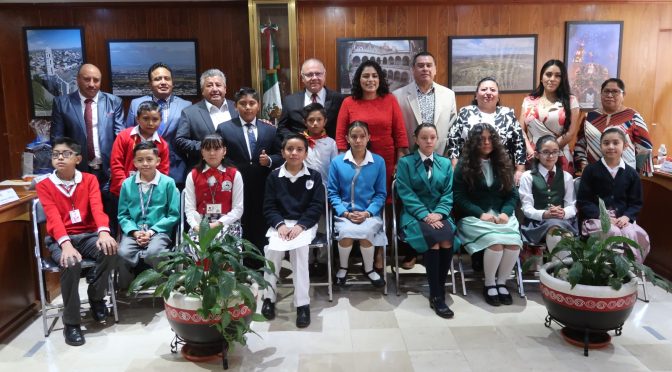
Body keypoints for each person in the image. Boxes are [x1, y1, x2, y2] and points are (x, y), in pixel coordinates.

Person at [35, 137, 118, 346]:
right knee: (71, 262)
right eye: (55, 154)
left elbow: (98, 209)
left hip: (88, 235)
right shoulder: (45, 185)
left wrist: (104, 233)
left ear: (78, 158)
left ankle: (96, 297)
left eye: (65, 154)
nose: (59, 158)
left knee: (109, 249)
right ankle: (71, 322)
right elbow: (52, 217)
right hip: (59, 239)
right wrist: (66, 245)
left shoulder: (89, 180)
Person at [453, 124, 522, 307]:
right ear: (473, 142)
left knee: (514, 245)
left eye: (490, 138)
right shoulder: (463, 165)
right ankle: (489, 283)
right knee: (495, 243)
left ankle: (502, 283)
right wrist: (480, 213)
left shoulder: (503, 163)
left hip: (501, 216)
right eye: (481, 139)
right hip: (473, 218)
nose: (486, 142)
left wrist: (506, 213)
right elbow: (459, 197)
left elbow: (512, 194)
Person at [50, 63, 125, 231]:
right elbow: (57, 140)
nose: (92, 84)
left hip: (107, 172)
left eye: (96, 80)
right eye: (87, 79)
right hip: (78, 171)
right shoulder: (62, 103)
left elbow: (121, 139)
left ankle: (110, 251)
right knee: (82, 217)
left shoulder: (114, 102)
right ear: (78, 80)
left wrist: (118, 168)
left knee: (109, 217)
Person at [261, 134, 325, 328]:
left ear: (306, 153)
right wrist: (280, 225)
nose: (294, 153)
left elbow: (315, 207)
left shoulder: (314, 176)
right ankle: (268, 298)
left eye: (299, 149)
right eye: (290, 149)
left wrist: (299, 226)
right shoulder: (274, 176)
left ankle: (302, 304)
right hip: (280, 224)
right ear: (282, 152)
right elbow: (269, 207)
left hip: (304, 225)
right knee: (272, 251)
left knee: (300, 252)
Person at [395, 123, 457, 318]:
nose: (429, 141)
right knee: (434, 241)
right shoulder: (406, 163)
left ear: (437, 139)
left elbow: (448, 193)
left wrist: (439, 213)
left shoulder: (445, 163)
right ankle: (437, 295)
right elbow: (405, 192)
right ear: (416, 140)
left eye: (432, 137)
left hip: (440, 215)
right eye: (424, 138)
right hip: (414, 215)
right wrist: (425, 215)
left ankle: (438, 288)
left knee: (446, 238)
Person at [216, 87, 282, 253]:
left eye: (252, 103)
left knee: (260, 226)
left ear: (258, 106)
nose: (247, 107)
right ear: (235, 106)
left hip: (262, 186)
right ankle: (239, 266)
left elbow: (281, 155)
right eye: (243, 103)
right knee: (239, 224)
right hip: (236, 187)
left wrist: (269, 161)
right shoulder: (224, 128)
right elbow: (219, 155)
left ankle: (259, 268)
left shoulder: (270, 129)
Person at [335, 59, 409, 195]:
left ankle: (384, 218)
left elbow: (400, 133)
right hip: (356, 158)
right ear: (358, 79)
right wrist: (343, 161)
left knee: (384, 195)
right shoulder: (348, 102)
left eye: (375, 76)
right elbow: (340, 135)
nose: (370, 80)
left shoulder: (390, 99)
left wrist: (400, 161)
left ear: (380, 79)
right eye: (366, 76)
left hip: (386, 158)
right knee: (359, 194)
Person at [327, 121, 387, 288]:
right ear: (347, 138)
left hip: (369, 214)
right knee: (346, 232)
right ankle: (343, 267)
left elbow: (381, 194)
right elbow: (332, 192)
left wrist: (367, 213)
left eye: (362, 136)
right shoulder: (337, 162)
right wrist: (345, 213)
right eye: (354, 136)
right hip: (345, 214)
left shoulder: (378, 162)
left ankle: (368, 269)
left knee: (366, 231)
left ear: (369, 137)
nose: (358, 140)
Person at [577, 127, 650, 263]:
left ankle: (629, 271)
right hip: (597, 219)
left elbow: (636, 203)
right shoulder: (591, 171)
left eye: (616, 143)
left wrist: (627, 216)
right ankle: (608, 271)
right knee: (612, 232)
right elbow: (583, 201)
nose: (611, 147)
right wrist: (602, 216)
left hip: (622, 220)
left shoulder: (631, 174)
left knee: (632, 234)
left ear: (625, 146)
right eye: (606, 143)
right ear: (600, 146)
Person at [447, 77, 526, 184]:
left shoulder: (507, 114)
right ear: (476, 95)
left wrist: (520, 170)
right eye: (484, 90)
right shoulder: (465, 112)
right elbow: (453, 139)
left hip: (501, 170)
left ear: (498, 96)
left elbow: (519, 142)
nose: (488, 93)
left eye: (493, 90)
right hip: (469, 168)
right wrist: (454, 165)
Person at [125, 62, 193, 186]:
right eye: (157, 79)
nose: (163, 82)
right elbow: (128, 137)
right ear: (150, 84)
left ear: (172, 82)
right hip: (142, 169)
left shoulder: (186, 106)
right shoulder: (136, 104)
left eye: (167, 78)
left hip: (176, 169)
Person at [117, 142, 180, 272]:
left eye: (149, 159)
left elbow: (173, 214)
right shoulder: (127, 184)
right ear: (134, 162)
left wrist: (151, 232)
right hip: (134, 233)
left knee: (155, 252)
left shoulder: (168, 183)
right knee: (122, 253)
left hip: (159, 232)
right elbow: (123, 215)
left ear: (158, 161)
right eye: (140, 160)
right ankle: (125, 288)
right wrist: (134, 232)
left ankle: (163, 285)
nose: (145, 163)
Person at [574, 78, 654, 176]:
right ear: (601, 94)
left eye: (615, 91)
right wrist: (584, 165)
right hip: (594, 174)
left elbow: (646, 147)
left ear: (623, 95)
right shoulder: (589, 117)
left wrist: (635, 172)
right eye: (606, 91)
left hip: (624, 175)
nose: (610, 95)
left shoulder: (632, 116)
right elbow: (580, 144)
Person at [519, 135, 578, 252]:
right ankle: (560, 268)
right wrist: (544, 214)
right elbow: (527, 208)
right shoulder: (528, 176)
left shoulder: (566, 177)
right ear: (537, 154)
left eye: (555, 152)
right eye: (546, 152)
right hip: (537, 223)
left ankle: (562, 267)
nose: (551, 156)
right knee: (556, 230)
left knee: (561, 232)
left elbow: (571, 206)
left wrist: (563, 212)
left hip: (563, 221)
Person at [519, 59, 580, 173]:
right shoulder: (528, 100)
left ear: (562, 80)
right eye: (548, 74)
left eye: (557, 76)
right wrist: (532, 152)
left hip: (559, 156)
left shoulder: (571, 101)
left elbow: (570, 134)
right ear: (541, 78)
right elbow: (521, 131)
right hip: (533, 156)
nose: (552, 79)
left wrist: (548, 152)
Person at [393, 51, 457, 156]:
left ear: (435, 69)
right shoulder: (398, 96)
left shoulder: (449, 95)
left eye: (429, 65)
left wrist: (451, 157)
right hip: (410, 158)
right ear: (413, 70)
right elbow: (396, 131)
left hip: (440, 158)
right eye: (420, 65)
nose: (425, 69)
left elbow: (453, 129)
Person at [175, 69, 239, 169]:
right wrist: (208, 147)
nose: (214, 89)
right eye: (209, 85)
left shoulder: (237, 108)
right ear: (203, 91)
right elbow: (180, 140)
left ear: (225, 88)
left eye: (218, 85)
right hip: (203, 170)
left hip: (235, 169)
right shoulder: (189, 112)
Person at [301, 103, 338, 276]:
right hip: (303, 191)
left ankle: (323, 259)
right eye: (311, 120)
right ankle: (307, 259)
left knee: (323, 224)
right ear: (305, 122)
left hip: (324, 190)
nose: (315, 123)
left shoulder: (330, 143)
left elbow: (334, 167)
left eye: (319, 120)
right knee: (306, 223)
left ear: (325, 121)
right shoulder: (300, 142)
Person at [184, 134, 244, 238]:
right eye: (207, 149)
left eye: (216, 149)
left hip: (227, 222)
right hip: (200, 223)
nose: (212, 153)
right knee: (197, 251)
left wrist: (218, 224)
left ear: (224, 151)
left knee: (224, 251)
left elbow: (238, 209)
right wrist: (195, 226)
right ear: (202, 152)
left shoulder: (234, 174)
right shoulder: (193, 175)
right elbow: (189, 208)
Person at [110, 101, 170, 197]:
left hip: (150, 194)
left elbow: (163, 171)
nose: (150, 123)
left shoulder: (162, 144)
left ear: (161, 120)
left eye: (155, 119)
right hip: (123, 192)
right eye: (145, 119)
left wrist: (151, 192)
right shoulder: (124, 136)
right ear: (137, 119)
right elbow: (116, 165)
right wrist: (126, 189)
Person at [277, 58, 346, 139]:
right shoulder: (290, 101)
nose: (314, 78)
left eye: (318, 74)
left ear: (324, 75)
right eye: (309, 75)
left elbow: (344, 128)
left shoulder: (338, 99)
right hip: (300, 149)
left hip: (330, 149)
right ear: (302, 78)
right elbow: (282, 128)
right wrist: (297, 140)